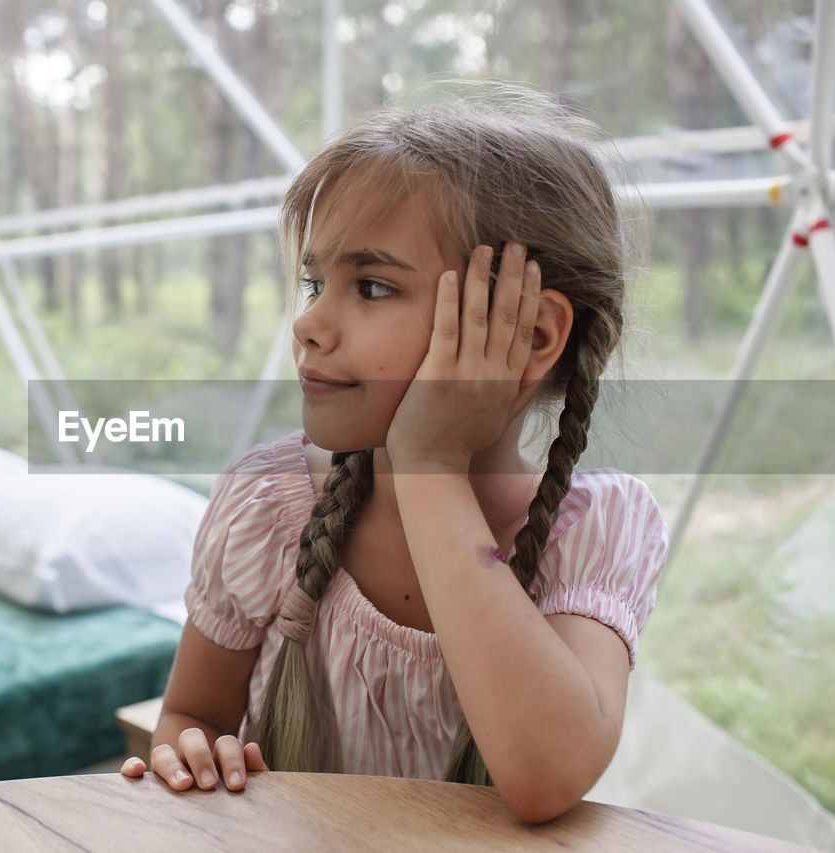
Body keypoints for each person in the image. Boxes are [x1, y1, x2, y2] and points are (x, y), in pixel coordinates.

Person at [121, 87, 669, 825]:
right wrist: (190, 751)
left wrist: (431, 468)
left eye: (372, 286)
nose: (309, 322)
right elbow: (192, 712)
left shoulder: (596, 530)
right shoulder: (269, 506)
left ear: (534, 337)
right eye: (316, 282)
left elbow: (546, 774)